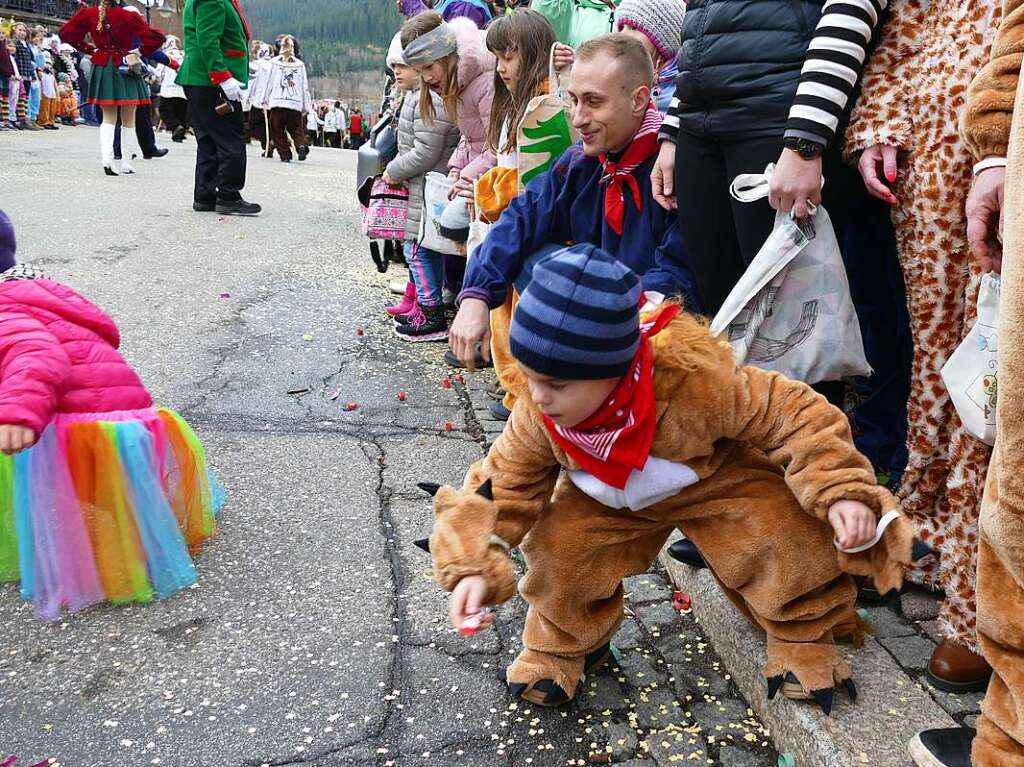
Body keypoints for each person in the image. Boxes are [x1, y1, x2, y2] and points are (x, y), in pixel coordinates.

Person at [425, 243, 924, 709]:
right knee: (561, 552)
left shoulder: (694, 381)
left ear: (615, 369)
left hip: (709, 479)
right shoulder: (539, 413)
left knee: (781, 534)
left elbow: (790, 413)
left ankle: (803, 633)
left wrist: (840, 490)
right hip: (602, 496)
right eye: (528, 377)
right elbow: (502, 485)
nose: (536, 397)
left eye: (555, 383)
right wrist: (471, 565)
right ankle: (561, 646)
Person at [843, 0, 1002, 693]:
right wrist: (879, 124)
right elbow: (895, 41)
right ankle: (930, 538)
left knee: (997, 368)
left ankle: (981, 596)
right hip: (932, 164)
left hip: (1004, 148)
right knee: (938, 363)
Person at [0, 210, 221, 621]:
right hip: (127, 422)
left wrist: (17, 413)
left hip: (90, 431)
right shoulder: (32, 291)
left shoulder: (4, 311)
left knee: (95, 498)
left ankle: (127, 544)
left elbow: (37, 354)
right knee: (125, 496)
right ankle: (146, 522)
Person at [907, 1, 1024, 763]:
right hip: (945, 149)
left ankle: (977, 626)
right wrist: (993, 147)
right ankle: (951, 576)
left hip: (984, 142)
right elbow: (894, 40)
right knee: (966, 380)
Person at [448, 34, 699, 371]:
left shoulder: (671, 170)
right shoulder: (578, 163)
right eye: (574, 100)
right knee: (530, 255)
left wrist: (597, 316)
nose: (578, 118)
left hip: (654, 342)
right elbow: (522, 218)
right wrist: (475, 294)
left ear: (639, 99)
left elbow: (677, 276)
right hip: (594, 323)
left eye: (593, 102)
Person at [475, 8, 559, 417]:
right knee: (505, 315)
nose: (501, 68)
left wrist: (492, 190)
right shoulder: (515, 103)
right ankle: (515, 392)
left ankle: (526, 398)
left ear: (535, 53)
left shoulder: (547, 104)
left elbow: (537, 180)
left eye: (509, 56)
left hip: (535, 233)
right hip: (513, 229)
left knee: (524, 319)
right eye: (497, 58)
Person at [401, 11, 497, 308]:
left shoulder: (483, 84)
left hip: (491, 179)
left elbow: (496, 144)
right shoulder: (454, 84)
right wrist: (457, 167)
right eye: (420, 70)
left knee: (469, 236)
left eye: (429, 66)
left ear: (446, 54)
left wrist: (466, 174)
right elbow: (469, 139)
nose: (427, 77)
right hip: (474, 174)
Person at [381, 32, 461, 342]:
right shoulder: (417, 97)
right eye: (394, 67)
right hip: (422, 186)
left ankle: (431, 314)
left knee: (418, 250)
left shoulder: (430, 101)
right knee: (417, 248)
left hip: (428, 186)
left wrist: (394, 170)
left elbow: (425, 151)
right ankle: (418, 305)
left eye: (403, 65)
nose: (397, 72)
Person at [59, 0, 168, 175]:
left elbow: (66, 33)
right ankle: (126, 162)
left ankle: (107, 159)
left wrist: (88, 49)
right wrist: (138, 53)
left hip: (102, 64)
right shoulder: (128, 15)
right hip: (124, 65)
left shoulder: (88, 14)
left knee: (108, 117)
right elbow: (156, 39)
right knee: (129, 118)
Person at [177, 0, 260, 216]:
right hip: (210, 79)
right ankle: (228, 194)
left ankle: (205, 195)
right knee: (231, 139)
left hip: (201, 78)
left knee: (208, 140)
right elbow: (207, 39)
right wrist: (222, 76)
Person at [250, 34, 311, 163]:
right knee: (296, 129)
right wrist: (306, 106)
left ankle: (285, 154)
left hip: (277, 102)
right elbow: (304, 87)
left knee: (277, 129)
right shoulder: (300, 65)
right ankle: (300, 144)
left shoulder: (274, 63)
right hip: (295, 103)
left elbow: (269, 83)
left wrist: (264, 100)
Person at [157, 35, 188, 142]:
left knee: (165, 111)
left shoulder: (165, 55)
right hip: (183, 89)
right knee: (181, 112)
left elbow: (159, 73)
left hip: (168, 89)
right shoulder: (184, 55)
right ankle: (180, 133)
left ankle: (176, 127)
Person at [11, 24, 38, 131]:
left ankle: (23, 118)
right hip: (20, 74)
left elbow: (30, 61)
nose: (22, 32)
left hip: (27, 75)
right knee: (18, 97)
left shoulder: (26, 44)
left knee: (25, 97)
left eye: (24, 30)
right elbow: (15, 59)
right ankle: (17, 118)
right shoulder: (15, 44)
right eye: (20, 30)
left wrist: (32, 75)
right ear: (15, 31)